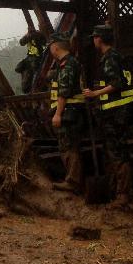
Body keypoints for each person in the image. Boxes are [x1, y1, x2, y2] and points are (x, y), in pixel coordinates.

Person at [83, 24, 133, 206]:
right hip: (117, 113)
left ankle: (123, 195)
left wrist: (94, 94)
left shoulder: (110, 58)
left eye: (94, 37)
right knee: (115, 151)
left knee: (118, 153)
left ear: (99, 38)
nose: (93, 40)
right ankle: (117, 191)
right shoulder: (116, 56)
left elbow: (117, 83)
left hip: (116, 114)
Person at [47, 33, 86, 192]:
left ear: (55, 47)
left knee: (68, 147)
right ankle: (73, 180)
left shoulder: (68, 65)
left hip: (69, 112)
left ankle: (73, 182)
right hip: (73, 111)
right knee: (70, 146)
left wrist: (58, 113)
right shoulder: (67, 63)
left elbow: (64, 92)